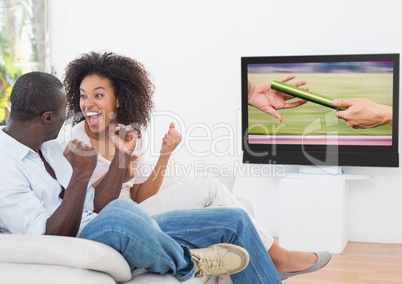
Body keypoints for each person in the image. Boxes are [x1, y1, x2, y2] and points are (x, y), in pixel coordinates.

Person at [60, 51, 332, 280]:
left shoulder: (130, 134)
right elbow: (82, 203)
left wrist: (164, 155)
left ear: (118, 99)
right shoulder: (74, 141)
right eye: (83, 96)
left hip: (137, 210)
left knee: (210, 188)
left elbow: (141, 197)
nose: (88, 104)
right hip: (116, 222)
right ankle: (277, 257)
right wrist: (117, 170)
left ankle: (274, 256)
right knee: (228, 214)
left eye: (98, 95)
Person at [0, 71, 288, 283]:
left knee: (233, 219)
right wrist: (79, 177)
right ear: (47, 118)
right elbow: (47, 237)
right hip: (77, 239)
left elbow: (96, 205)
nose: (70, 118)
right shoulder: (5, 165)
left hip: (104, 223)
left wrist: (121, 155)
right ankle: (189, 262)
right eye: (66, 111)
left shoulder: (49, 149)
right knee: (122, 212)